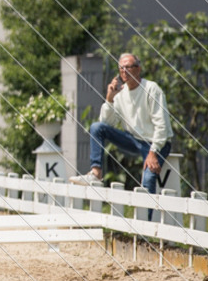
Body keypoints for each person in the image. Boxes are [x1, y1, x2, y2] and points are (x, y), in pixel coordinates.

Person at [69, 53, 173, 193]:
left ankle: (146, 215)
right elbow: (105, 123)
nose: (124, 71)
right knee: (96, 127)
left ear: (138, 69)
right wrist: (109, 99)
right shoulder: (120, 93)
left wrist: (153, 152)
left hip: (157, 143)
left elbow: (162, 125)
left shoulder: (151, 89)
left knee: (148, 179)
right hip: (133, 140)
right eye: (121, 68)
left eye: (128, 67)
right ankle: (96, 173)